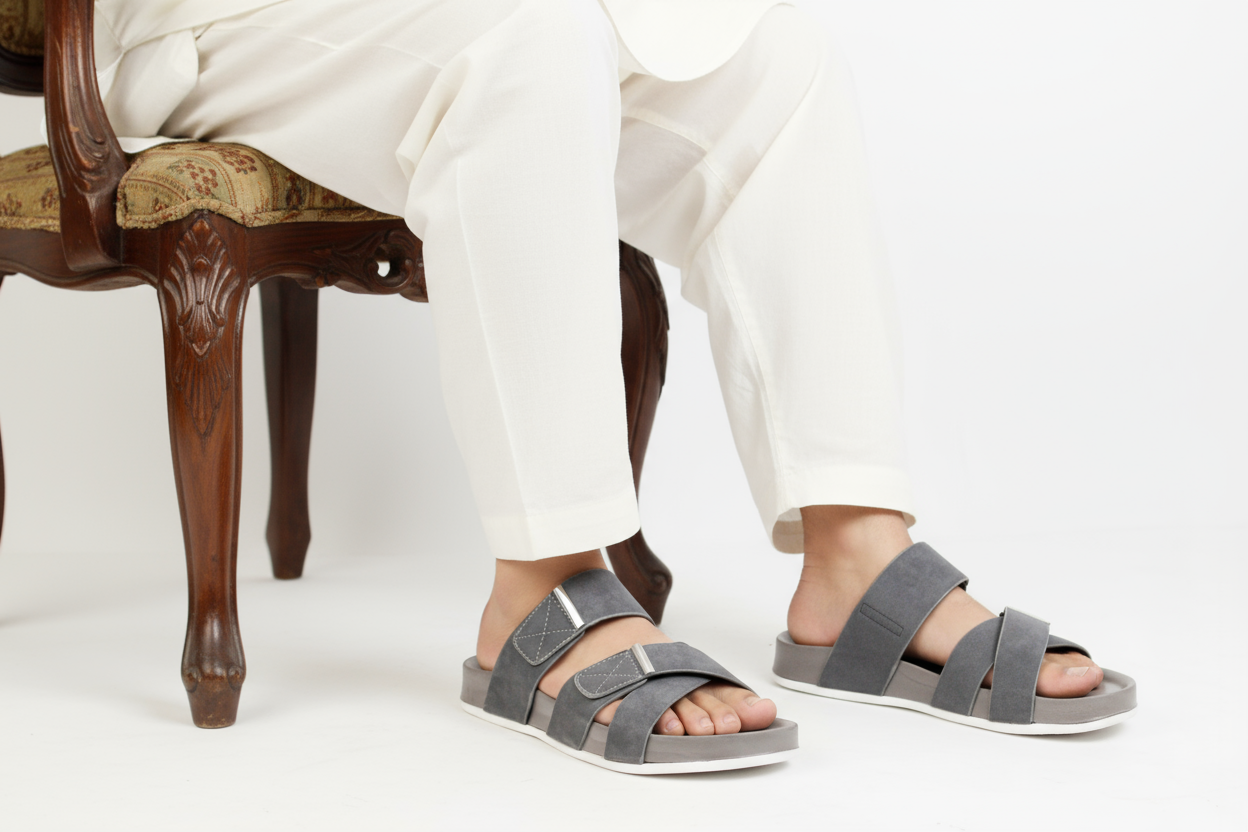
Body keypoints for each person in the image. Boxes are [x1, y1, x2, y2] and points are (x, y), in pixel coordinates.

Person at [92, 0, 1135, 771]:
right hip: (219, 19)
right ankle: (540, 584)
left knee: (781, 61)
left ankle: (855, 553)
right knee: (528, 39)